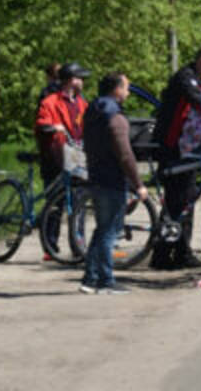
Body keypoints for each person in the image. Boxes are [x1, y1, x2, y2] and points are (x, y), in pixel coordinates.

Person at [151, 44, 201, 269]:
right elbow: (199, 100)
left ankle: (182, 251)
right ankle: (161, 254)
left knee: (187, 200)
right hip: (173, 148)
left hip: (189, 148)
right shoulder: (185, 78)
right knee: (174, 201)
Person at [80, 73, 147, 294]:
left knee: (101, 230)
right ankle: (106, 281)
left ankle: (90, 279)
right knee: (110, 232)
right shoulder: (115, 117)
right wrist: (138, 184)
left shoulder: (92, 111)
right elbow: (125, 154)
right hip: (112, 180)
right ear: (116, 90)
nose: (128, 92)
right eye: (126, 88)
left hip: (95, 176)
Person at [35, 62, 91, 256]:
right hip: (55, 157)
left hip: (77, 155)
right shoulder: (50, 101)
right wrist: (53, 127)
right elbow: (42, 122)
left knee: (80, 200)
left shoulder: (82, 103)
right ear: (71, 80)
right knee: (55, 202)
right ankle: (50, 246)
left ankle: (78, 244)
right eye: (80, 78)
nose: (82, 82)